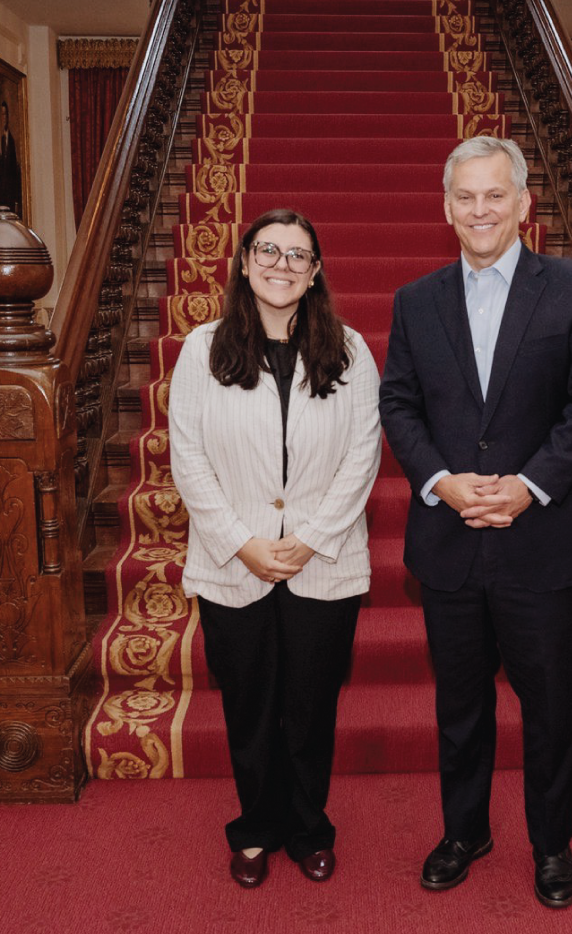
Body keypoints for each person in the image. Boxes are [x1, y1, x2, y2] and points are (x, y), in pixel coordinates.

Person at [378, 137, 572, 909]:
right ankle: (465, 832)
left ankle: (552, 846)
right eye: (465, 196)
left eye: (493, 195)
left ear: (523, 203)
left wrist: (529, 486)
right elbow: (398, 404)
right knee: (460, 705)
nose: (479, 210)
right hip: (449, 540)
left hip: (543, 541)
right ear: (446, 206)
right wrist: (442, 483)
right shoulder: (416, 301)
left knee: (547, 707)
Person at [167, 209, 381, 888]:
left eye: (297, 255)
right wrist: (242, 543)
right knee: (250, 705)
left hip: (325, 560)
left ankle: (310, 827)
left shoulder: (350, 350)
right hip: (235, 562)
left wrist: (310, 540)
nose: (281, 265)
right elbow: (188, 458)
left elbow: (363, 456)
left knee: (311, 706)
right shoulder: (202, 350)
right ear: (243, 260)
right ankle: (256, 828)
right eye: (268, 250)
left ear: (314, 272)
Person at [0, 100, 23, 217]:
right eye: (2, 114)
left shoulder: (11, 141)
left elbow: (15, 171)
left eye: (5, 114)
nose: (3, 118)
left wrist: (16, 200)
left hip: (10, 195)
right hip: (1, 196)